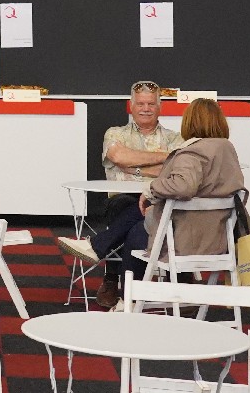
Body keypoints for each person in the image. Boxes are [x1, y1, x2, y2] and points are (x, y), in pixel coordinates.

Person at [57, 80, 179, 309]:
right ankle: (128, 291)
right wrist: (164, 157)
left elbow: (177, 168)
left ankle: (106, 266)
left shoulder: (174, 138)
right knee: (131, 212)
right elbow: (119, 157)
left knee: (142, 219)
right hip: (122, 199)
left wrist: (136, 168)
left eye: (151, 104)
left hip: (159, 198)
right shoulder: (115, 133)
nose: (145, 109)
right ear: (131, 106)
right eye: (140, 104)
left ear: (160, 107)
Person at [141, 98, 246, 280]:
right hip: (220, 238)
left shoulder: (191, 152)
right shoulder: (227, 149)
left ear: (189, 122)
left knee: (134, 225)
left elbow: (183, 187)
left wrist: (151, 188)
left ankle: (128, 286)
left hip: (186, 239)